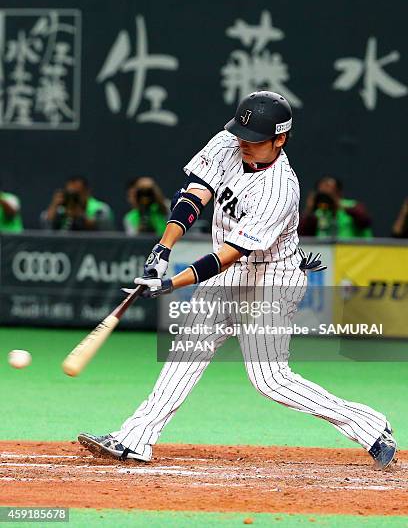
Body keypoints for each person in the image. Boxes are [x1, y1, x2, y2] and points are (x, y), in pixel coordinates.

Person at [78, 91, 396, 470]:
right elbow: (195, 194)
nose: (244, 143)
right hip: (231, 272)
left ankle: (369, 426)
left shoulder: (280, 189)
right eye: (242, 134)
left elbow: (230, 253)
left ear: (280, 139)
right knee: (188, 350)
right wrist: (162, 249)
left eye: (255, 139)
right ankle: (135, 439)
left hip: (271, 276)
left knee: (270, 380)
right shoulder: (232, 140)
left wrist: (171, 284)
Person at [299, 176, 373, 239]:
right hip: (326, 253)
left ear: (338, 192)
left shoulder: (352, 205)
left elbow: (365, 221)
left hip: (353, 253)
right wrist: (309, 209)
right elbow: (303, 236)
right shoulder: (318, 213)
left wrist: (339, 205)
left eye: (329, 190)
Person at [41, 176, 114, 231]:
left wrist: (78, 215)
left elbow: (101, 228)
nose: (73, 198)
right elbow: (45, 224)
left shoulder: (100, 208)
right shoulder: (61, 209)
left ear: (87, 192)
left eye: (76, 194)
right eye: (70, 194)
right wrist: (54, 205)